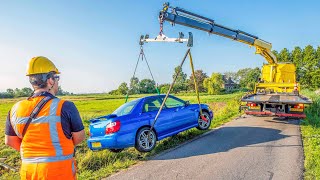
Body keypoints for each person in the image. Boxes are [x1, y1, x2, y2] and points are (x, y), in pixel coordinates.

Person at [5, 56, 85, 180]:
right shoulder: (65, 106)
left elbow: (9, 141)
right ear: (50, 80)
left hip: (29, 173)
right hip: (59, 172)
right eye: (56, 78)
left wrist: (34, 153)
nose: (57, 82)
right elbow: (79, 138)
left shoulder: (15, 109)